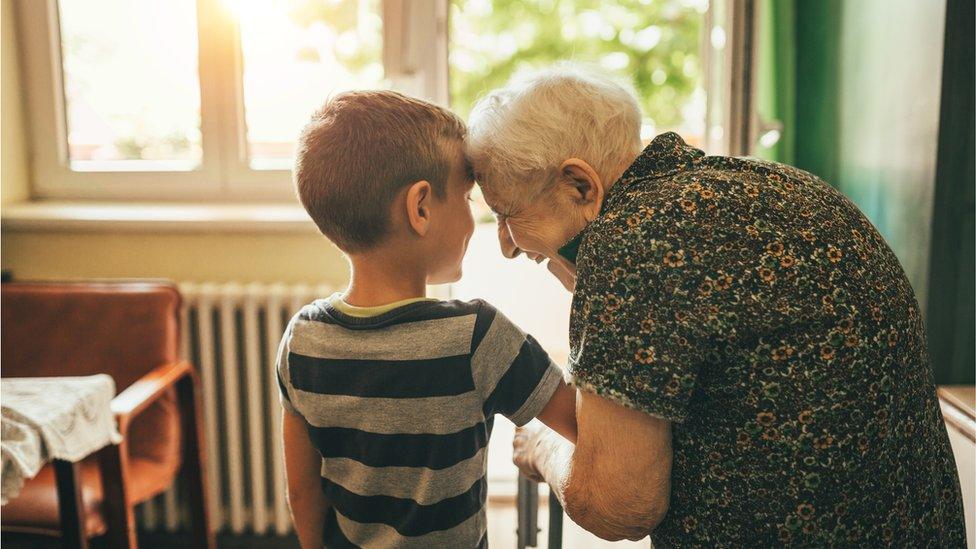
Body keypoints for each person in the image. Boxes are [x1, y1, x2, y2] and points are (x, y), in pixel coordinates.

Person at [466, 65, 966, 546]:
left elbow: (617, 504)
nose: (507, 245)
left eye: (507, 214)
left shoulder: (633, 241)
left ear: (581, 186)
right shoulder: (779, 186)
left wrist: (544, 447)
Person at [278, 90, 577, 548]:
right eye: (467, 195)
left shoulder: (302, 340)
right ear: (420, 208)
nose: (474, 213)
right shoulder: (477, 337)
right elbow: (581, 424)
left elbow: (302, 490)